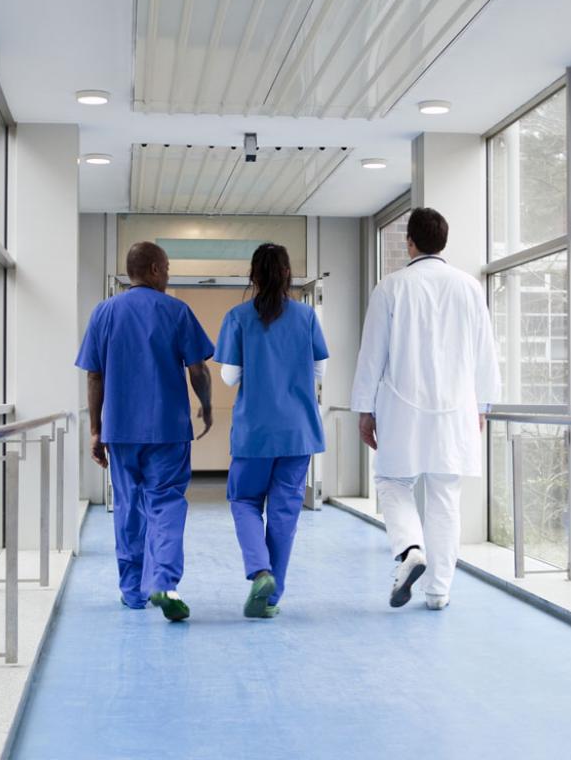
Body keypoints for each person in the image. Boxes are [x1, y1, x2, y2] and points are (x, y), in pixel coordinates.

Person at [350, 207, 500, 611]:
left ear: (409, 242)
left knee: (393, 483)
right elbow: (485, 352)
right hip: (456, 411)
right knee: (445, 498)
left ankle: (410, 548)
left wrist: (365, 409)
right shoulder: (470, 287)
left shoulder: (391, 287)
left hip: (402, 407)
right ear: (443, 242)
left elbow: (371, 355)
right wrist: (482, 406)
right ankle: (439, 592)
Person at [76, 242, 215, 622]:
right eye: (167, 268)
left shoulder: (103, 313)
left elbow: (93, 374)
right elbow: (198, 369)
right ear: (153, 269)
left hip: (120, 430)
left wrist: (95, 429)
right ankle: (165, 583)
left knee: (128, 505)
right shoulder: (176, 311)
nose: (168, 276)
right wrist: (206, 405)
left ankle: (133, 592)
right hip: (168, 429)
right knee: (166, 502)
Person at [214, 243, 328, 618]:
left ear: (254, 276)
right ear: (287, 274)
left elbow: (229, 377)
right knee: (284, 513)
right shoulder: (307, 316)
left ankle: (259, 570)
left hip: (255, 433)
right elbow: (320, 371)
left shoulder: (237, 317)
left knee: (245, 501)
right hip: (298, 433)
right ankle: (271, 597)